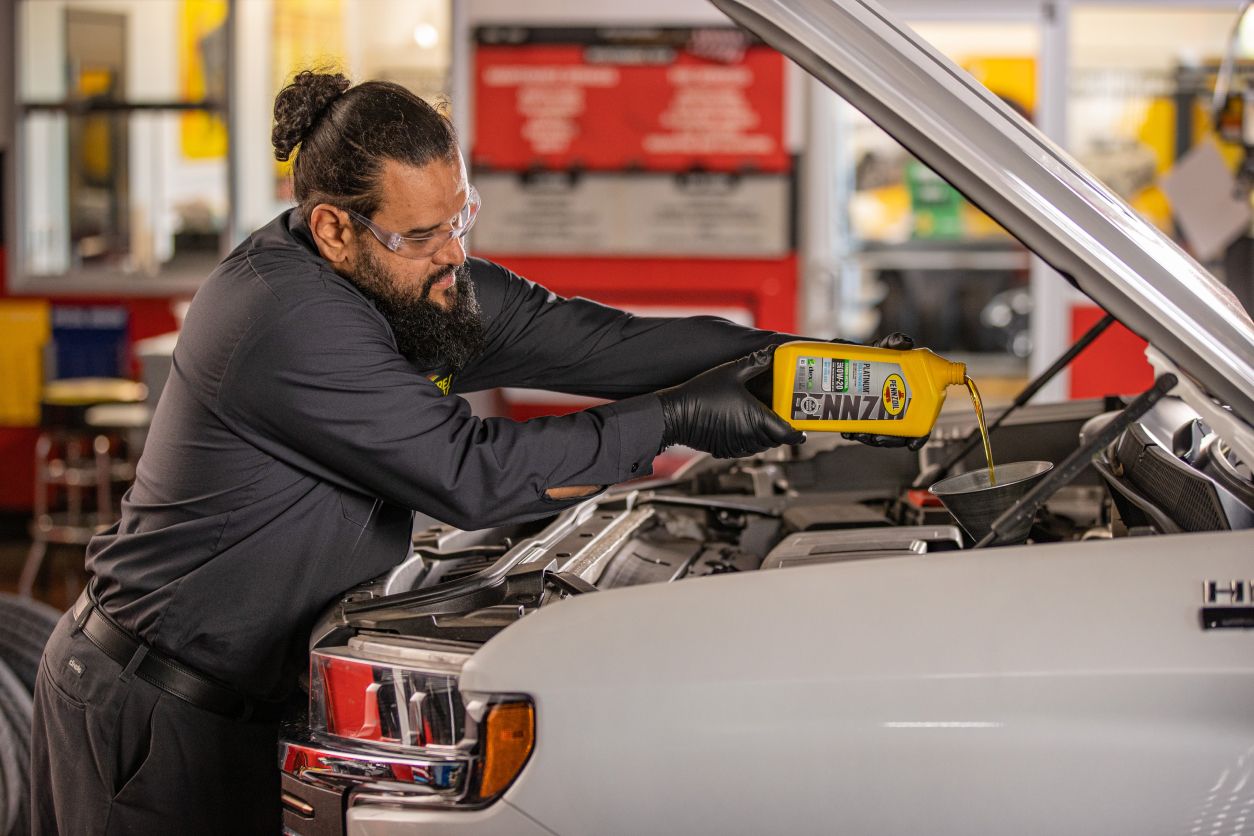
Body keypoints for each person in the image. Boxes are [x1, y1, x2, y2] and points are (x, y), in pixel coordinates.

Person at [30, 71, 917, 834]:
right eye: (421, 236)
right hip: (149, 708)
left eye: (461, 219)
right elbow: (473, 474)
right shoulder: (284, 317)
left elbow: (602, 345)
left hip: (247, 702)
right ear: (335, 229)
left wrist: (807, 366)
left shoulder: (410, 280)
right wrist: (681, 417)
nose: (452, 253)